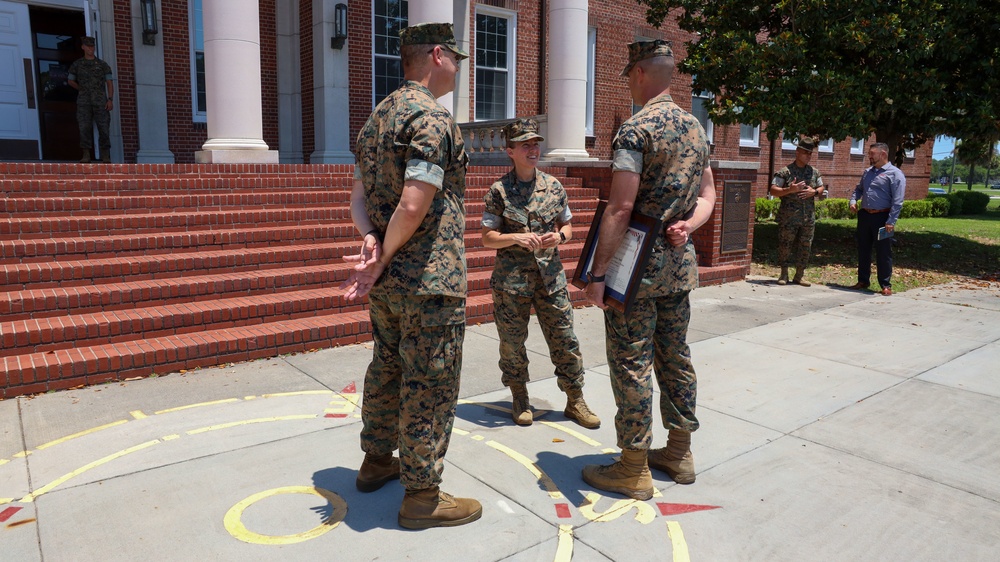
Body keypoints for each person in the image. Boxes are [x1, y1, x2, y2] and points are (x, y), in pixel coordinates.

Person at [341, 22, 481, 529]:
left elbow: (359, 199)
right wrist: (381, 254)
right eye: (456, 58)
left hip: (389, 286)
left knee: (387, 367)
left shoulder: (376, 119)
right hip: (429, 280)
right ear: (436, 55)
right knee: (430, 382)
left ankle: (377, 460)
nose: (460, 67)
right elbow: (414, 202)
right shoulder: (432, 118)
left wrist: (372, 240)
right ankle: (422, 496)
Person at [581, 40, 715, 500]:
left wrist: (598, 276)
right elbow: (708, 197)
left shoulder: (636, 130)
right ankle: (679, 452)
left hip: (635, 273)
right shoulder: (697, 129)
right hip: (677, 270)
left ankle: (633, 467)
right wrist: (688, 224)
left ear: (639, 73)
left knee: (632, 363)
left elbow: (620, 208)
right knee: (675, 357)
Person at [481, 118, 601, 429]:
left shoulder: (554, 186)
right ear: (511, 151)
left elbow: (568, 227)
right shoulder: (499, 191)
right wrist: (515, 237)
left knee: (565, 339)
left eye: (535, 143)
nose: (533, 149)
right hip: (512, 282)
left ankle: (575, 399)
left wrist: (559, 237)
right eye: (525, 145)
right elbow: (487, 237)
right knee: (512, 342)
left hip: (550, 278)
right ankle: (520, 397)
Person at [848, 142, 906, 296]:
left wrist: (891, 221)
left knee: (883, 252)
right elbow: (858, 189)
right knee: (863, 249)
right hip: (865, 216)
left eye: (872, 154)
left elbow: (898, 201)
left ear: (883, 154)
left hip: (883, 218)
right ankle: (863, 280)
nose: (870, 157)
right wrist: (853, 201)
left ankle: (885, 284)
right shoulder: (867, 172)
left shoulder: (895, 174)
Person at [769, 136, 825, 286]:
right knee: (785, 244)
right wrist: (790, 189)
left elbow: (821, 187)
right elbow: (773, 190)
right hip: (789, 217)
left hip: (808, 217)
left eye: (810, 153)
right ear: (797, 152)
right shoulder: (786, 172)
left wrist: (814, 192)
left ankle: (799, 275)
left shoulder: (814, 172)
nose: (808, 156)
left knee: (805, 246)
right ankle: (784, 274)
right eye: (805, 152)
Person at [68, 36, 114, 163]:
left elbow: (109, 82)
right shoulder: (77, 65)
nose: (90, 48)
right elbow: (70, 81)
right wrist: (81, 89)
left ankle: (105, 154)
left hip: (101, 101)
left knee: (104, 128)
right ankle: (86, 154)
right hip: (84, 102)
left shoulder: (102, 65)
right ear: (83, 47)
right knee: (84, 127)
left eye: (92, 46)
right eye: (88, 46)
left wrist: (110, 99)